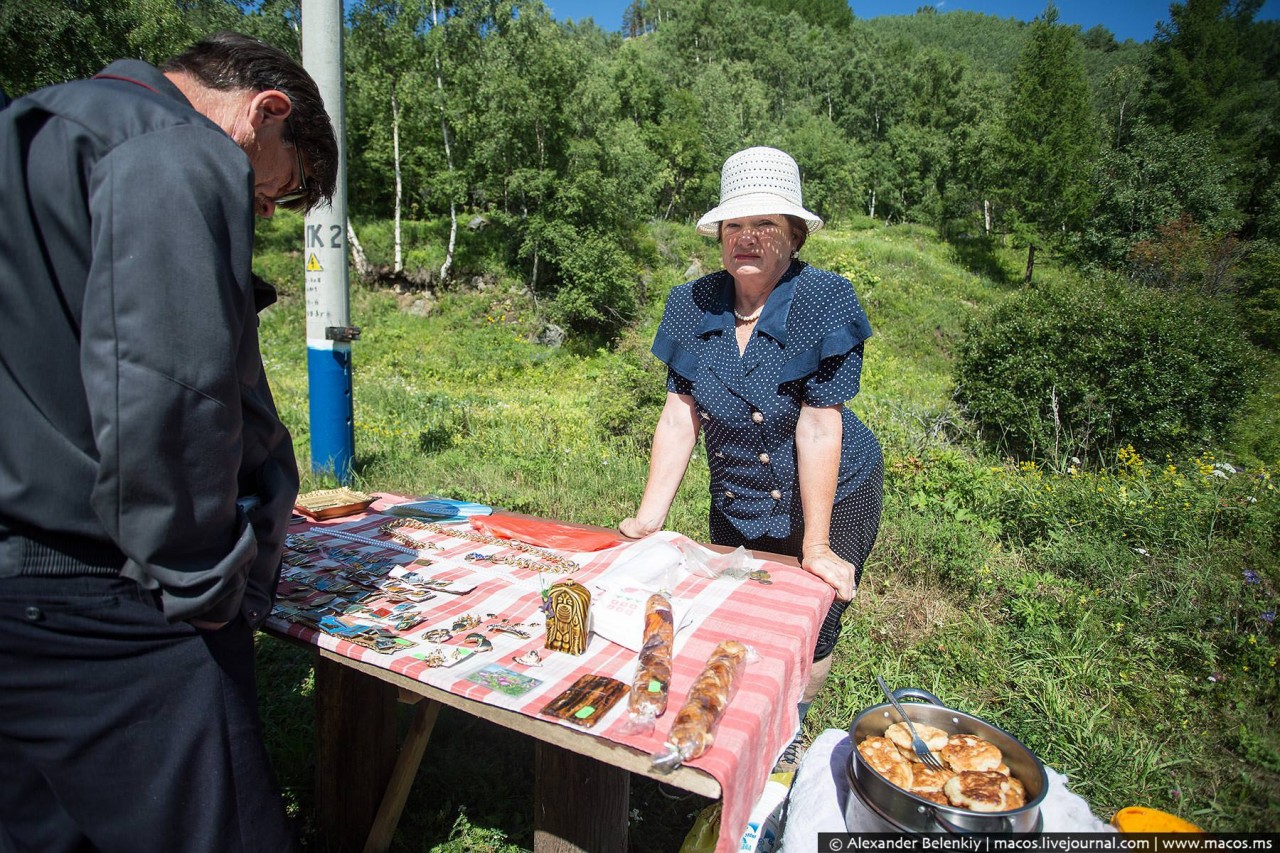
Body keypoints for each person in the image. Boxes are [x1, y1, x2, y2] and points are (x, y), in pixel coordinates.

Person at [0, 31, 337, 852]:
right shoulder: (172, 148)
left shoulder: (31, 128)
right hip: (107, 600)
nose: (260, 210)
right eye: (276, 191)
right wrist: (208, 597)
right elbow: (169, 397)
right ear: (267, 112)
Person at [620, 146, 884, 770]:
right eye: (734, 226)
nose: (747, 238)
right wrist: (648, 518)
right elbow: (680, 411)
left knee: (811, 622)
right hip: (737, 488)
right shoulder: (691, 304)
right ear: (718, 236)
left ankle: (787, 729)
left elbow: (821, 425)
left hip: (832, 488)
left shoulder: (826, 299)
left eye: (765, 225)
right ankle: (734, 725)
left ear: (793, 235)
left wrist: (815, 548)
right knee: (738, 610)